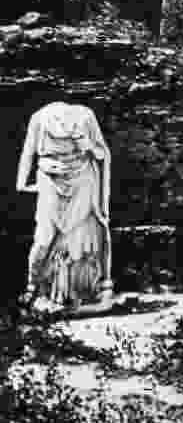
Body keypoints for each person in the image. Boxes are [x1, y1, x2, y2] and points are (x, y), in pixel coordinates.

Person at [17, 102, 113, 310]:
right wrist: (22, 182)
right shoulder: (39, 117)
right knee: (44, 238)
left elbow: (102, 154)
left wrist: (87, 145)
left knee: (84, 235)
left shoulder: (85, 116)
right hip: (50, 180)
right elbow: (28, 152)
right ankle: (34, 287)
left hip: (83, 180)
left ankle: (87, 291)